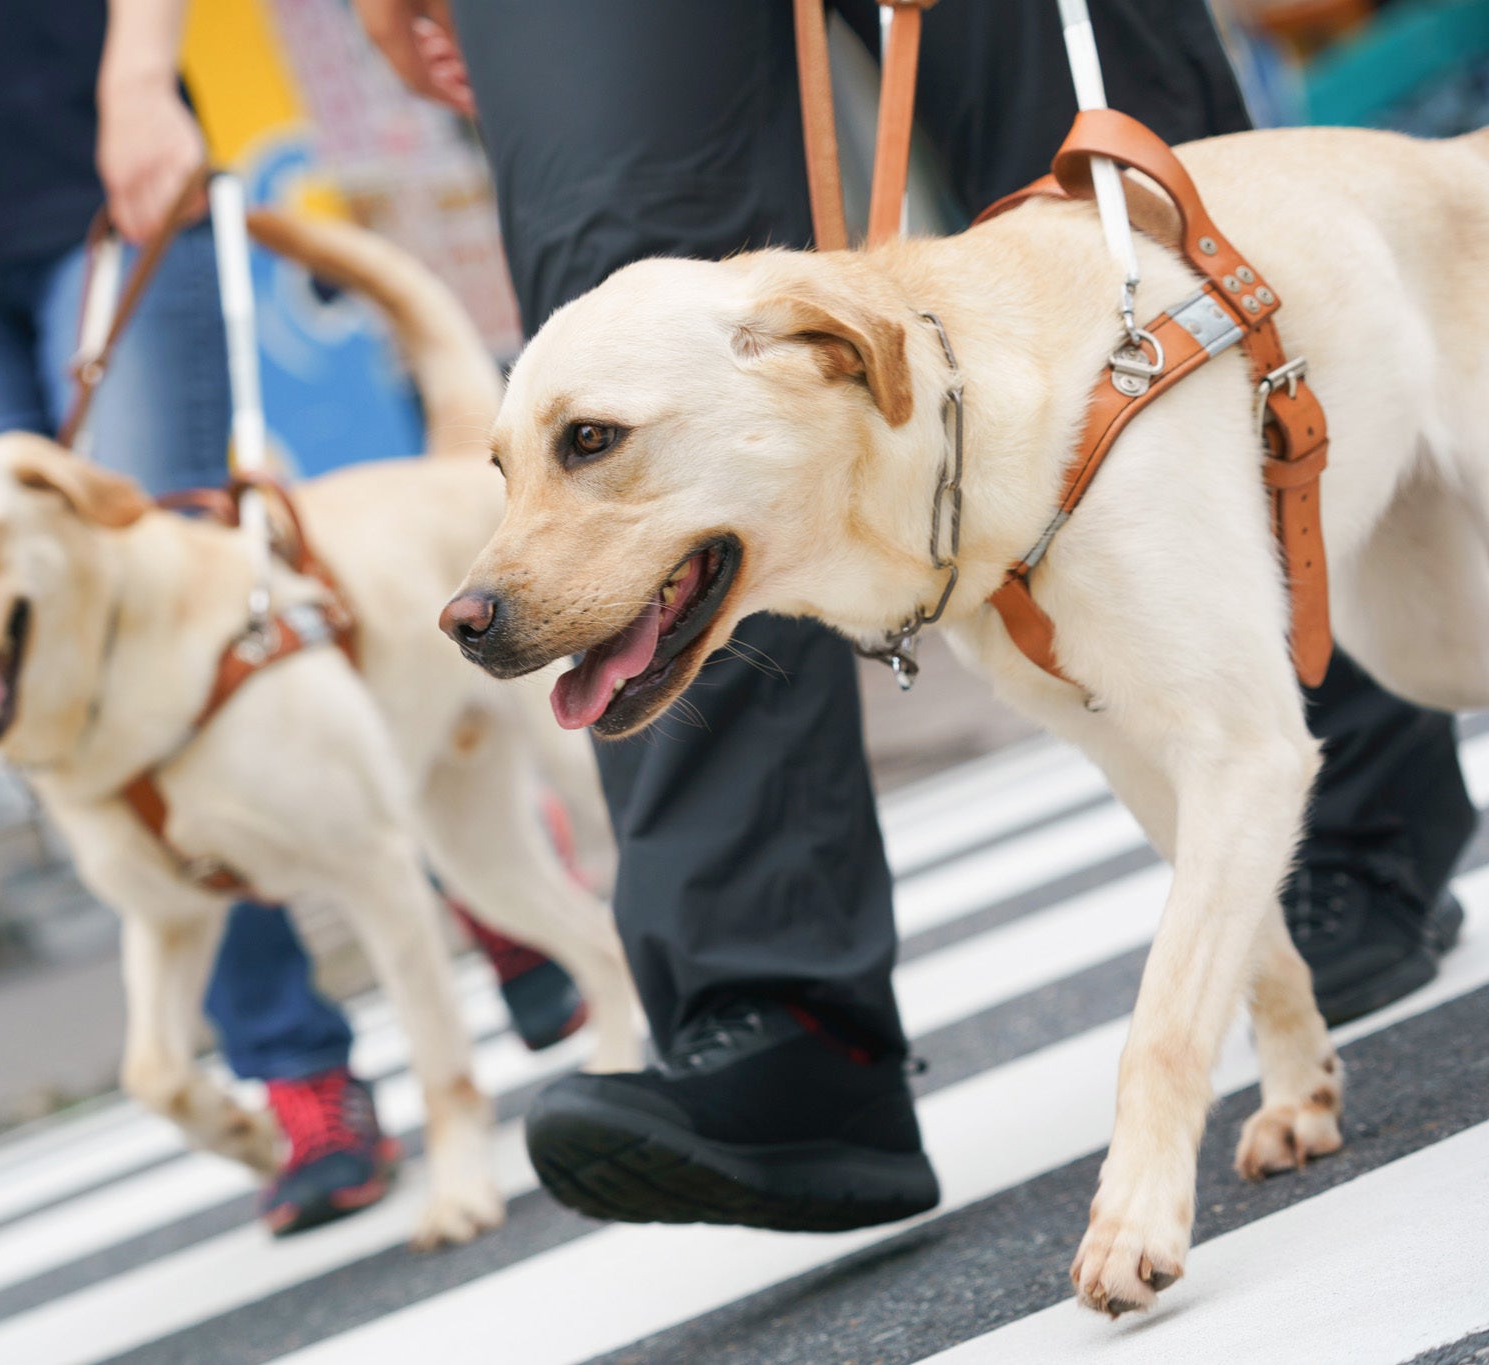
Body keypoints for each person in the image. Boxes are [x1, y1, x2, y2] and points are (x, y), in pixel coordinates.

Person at [353, 0, 1474, 1231]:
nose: (497, 568)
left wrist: (1155, 1105)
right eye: (526, 470)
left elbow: (1239, 754)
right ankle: (769, 1013)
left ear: (838, 352)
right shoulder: (925, 539)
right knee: (620, 206)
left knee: (1409, 653)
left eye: (592, 447)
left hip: (1420, 247)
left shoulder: (1014, 432)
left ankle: (1367, 841)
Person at [0, 0, 583, 1237]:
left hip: (84, 142)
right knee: (48, 669)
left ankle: (453, 832)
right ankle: (296, 1071)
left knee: (177, 595)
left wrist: (139, 76)